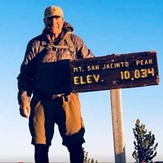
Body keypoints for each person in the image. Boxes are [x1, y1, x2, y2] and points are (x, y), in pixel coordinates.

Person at [17, 5, 94, 163]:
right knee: (40, 144)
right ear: (44, 21)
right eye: (50, 18)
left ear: (63, 20)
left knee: (75, 143)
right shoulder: (35, 44)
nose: (54, 22)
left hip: (68, 99)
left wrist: (111, 67)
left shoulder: (75, 41)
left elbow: (91, 63)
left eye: (57, 18)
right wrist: (24, 100)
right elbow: (25, 74)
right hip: (41, 99)